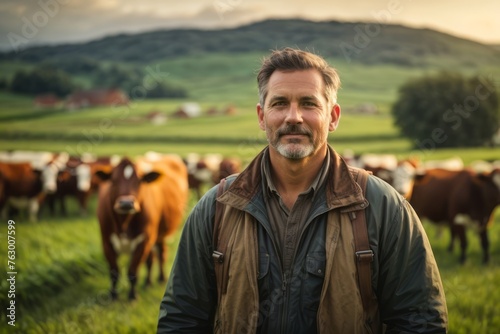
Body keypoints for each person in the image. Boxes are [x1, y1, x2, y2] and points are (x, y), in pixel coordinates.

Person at [157, 47, 448, 333]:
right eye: (280, 103)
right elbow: (182, 319)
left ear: (332, 117)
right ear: (261, 116)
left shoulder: (383, 206)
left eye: (309, 104)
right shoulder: (217, 207)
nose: (293, 117)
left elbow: (420, 321)